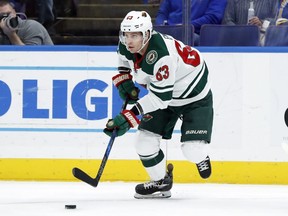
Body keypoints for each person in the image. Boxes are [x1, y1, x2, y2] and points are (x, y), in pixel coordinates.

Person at [104, 11, 213, 199]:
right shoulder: (126, 44)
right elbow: (123, 59)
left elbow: (160, 99)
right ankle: (161, 181)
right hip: (165, 94)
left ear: (146, 35)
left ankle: (201, 157)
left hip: (194, 95)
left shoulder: (162, 56)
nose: (129, 40)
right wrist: (124, 80)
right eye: (126, 34)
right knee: (144, 142)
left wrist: (129, 116)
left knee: (193, 151)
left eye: (135, 35)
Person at [155, 0, 227, 46]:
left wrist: (185, 27)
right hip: (170, 32)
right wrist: (161, 26)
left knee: (188, 37)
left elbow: (213, 17)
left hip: (197, 34)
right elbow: (162, 13)